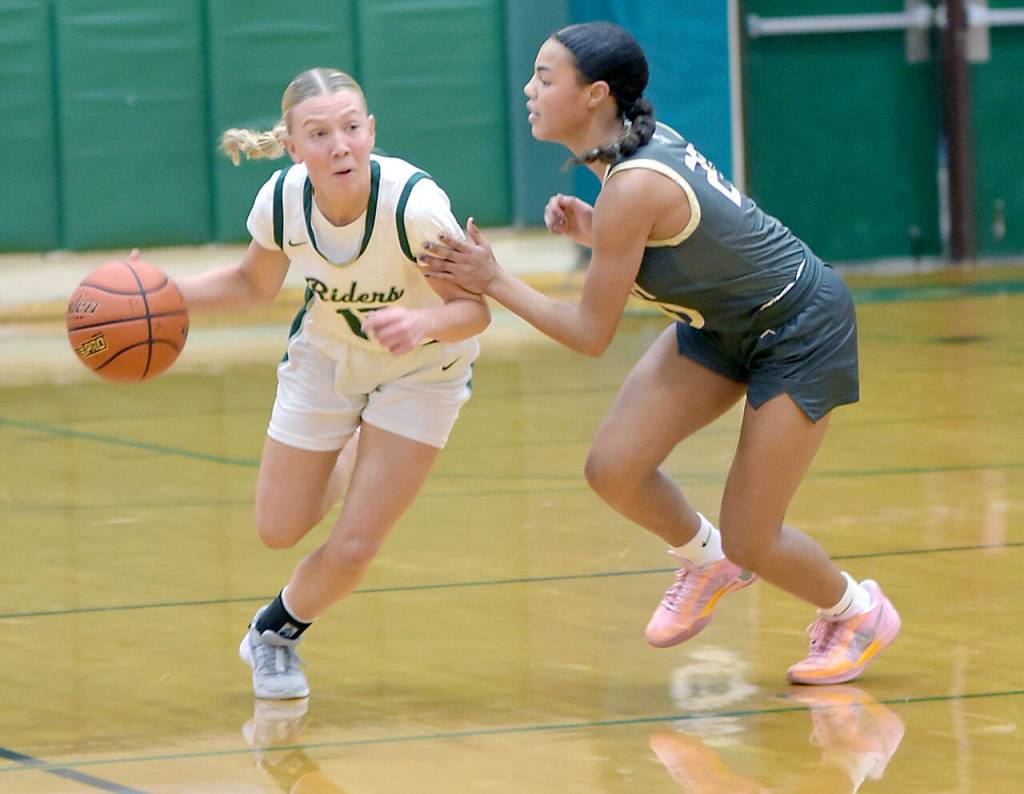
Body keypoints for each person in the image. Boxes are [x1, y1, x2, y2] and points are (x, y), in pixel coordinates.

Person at [419, 21, 899, 685]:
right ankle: (707, 561)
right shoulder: (630, 157)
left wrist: (493, 280)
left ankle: (858, 613)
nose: (529, 90)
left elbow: (589, 334)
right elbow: (688, 236)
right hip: (723, 323)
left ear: (596, 95)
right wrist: (598, 231)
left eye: (545, 78)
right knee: (614, 468)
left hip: (799, 329)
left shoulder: (632, 183)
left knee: (753, 536)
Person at [175, 67, 490, 699]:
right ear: (293, 145)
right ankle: (356, 447)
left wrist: (423, 321)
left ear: (370, 130)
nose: (339, 145)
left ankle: (273, 635)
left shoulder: (415, 207)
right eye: (319, 134)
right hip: (329, 357)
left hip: (424, 369)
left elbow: (475, 311)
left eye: (350, 128)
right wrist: (159, 293)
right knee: (277, 528)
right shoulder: (283, 200)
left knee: (352, 548)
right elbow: (251, 284)